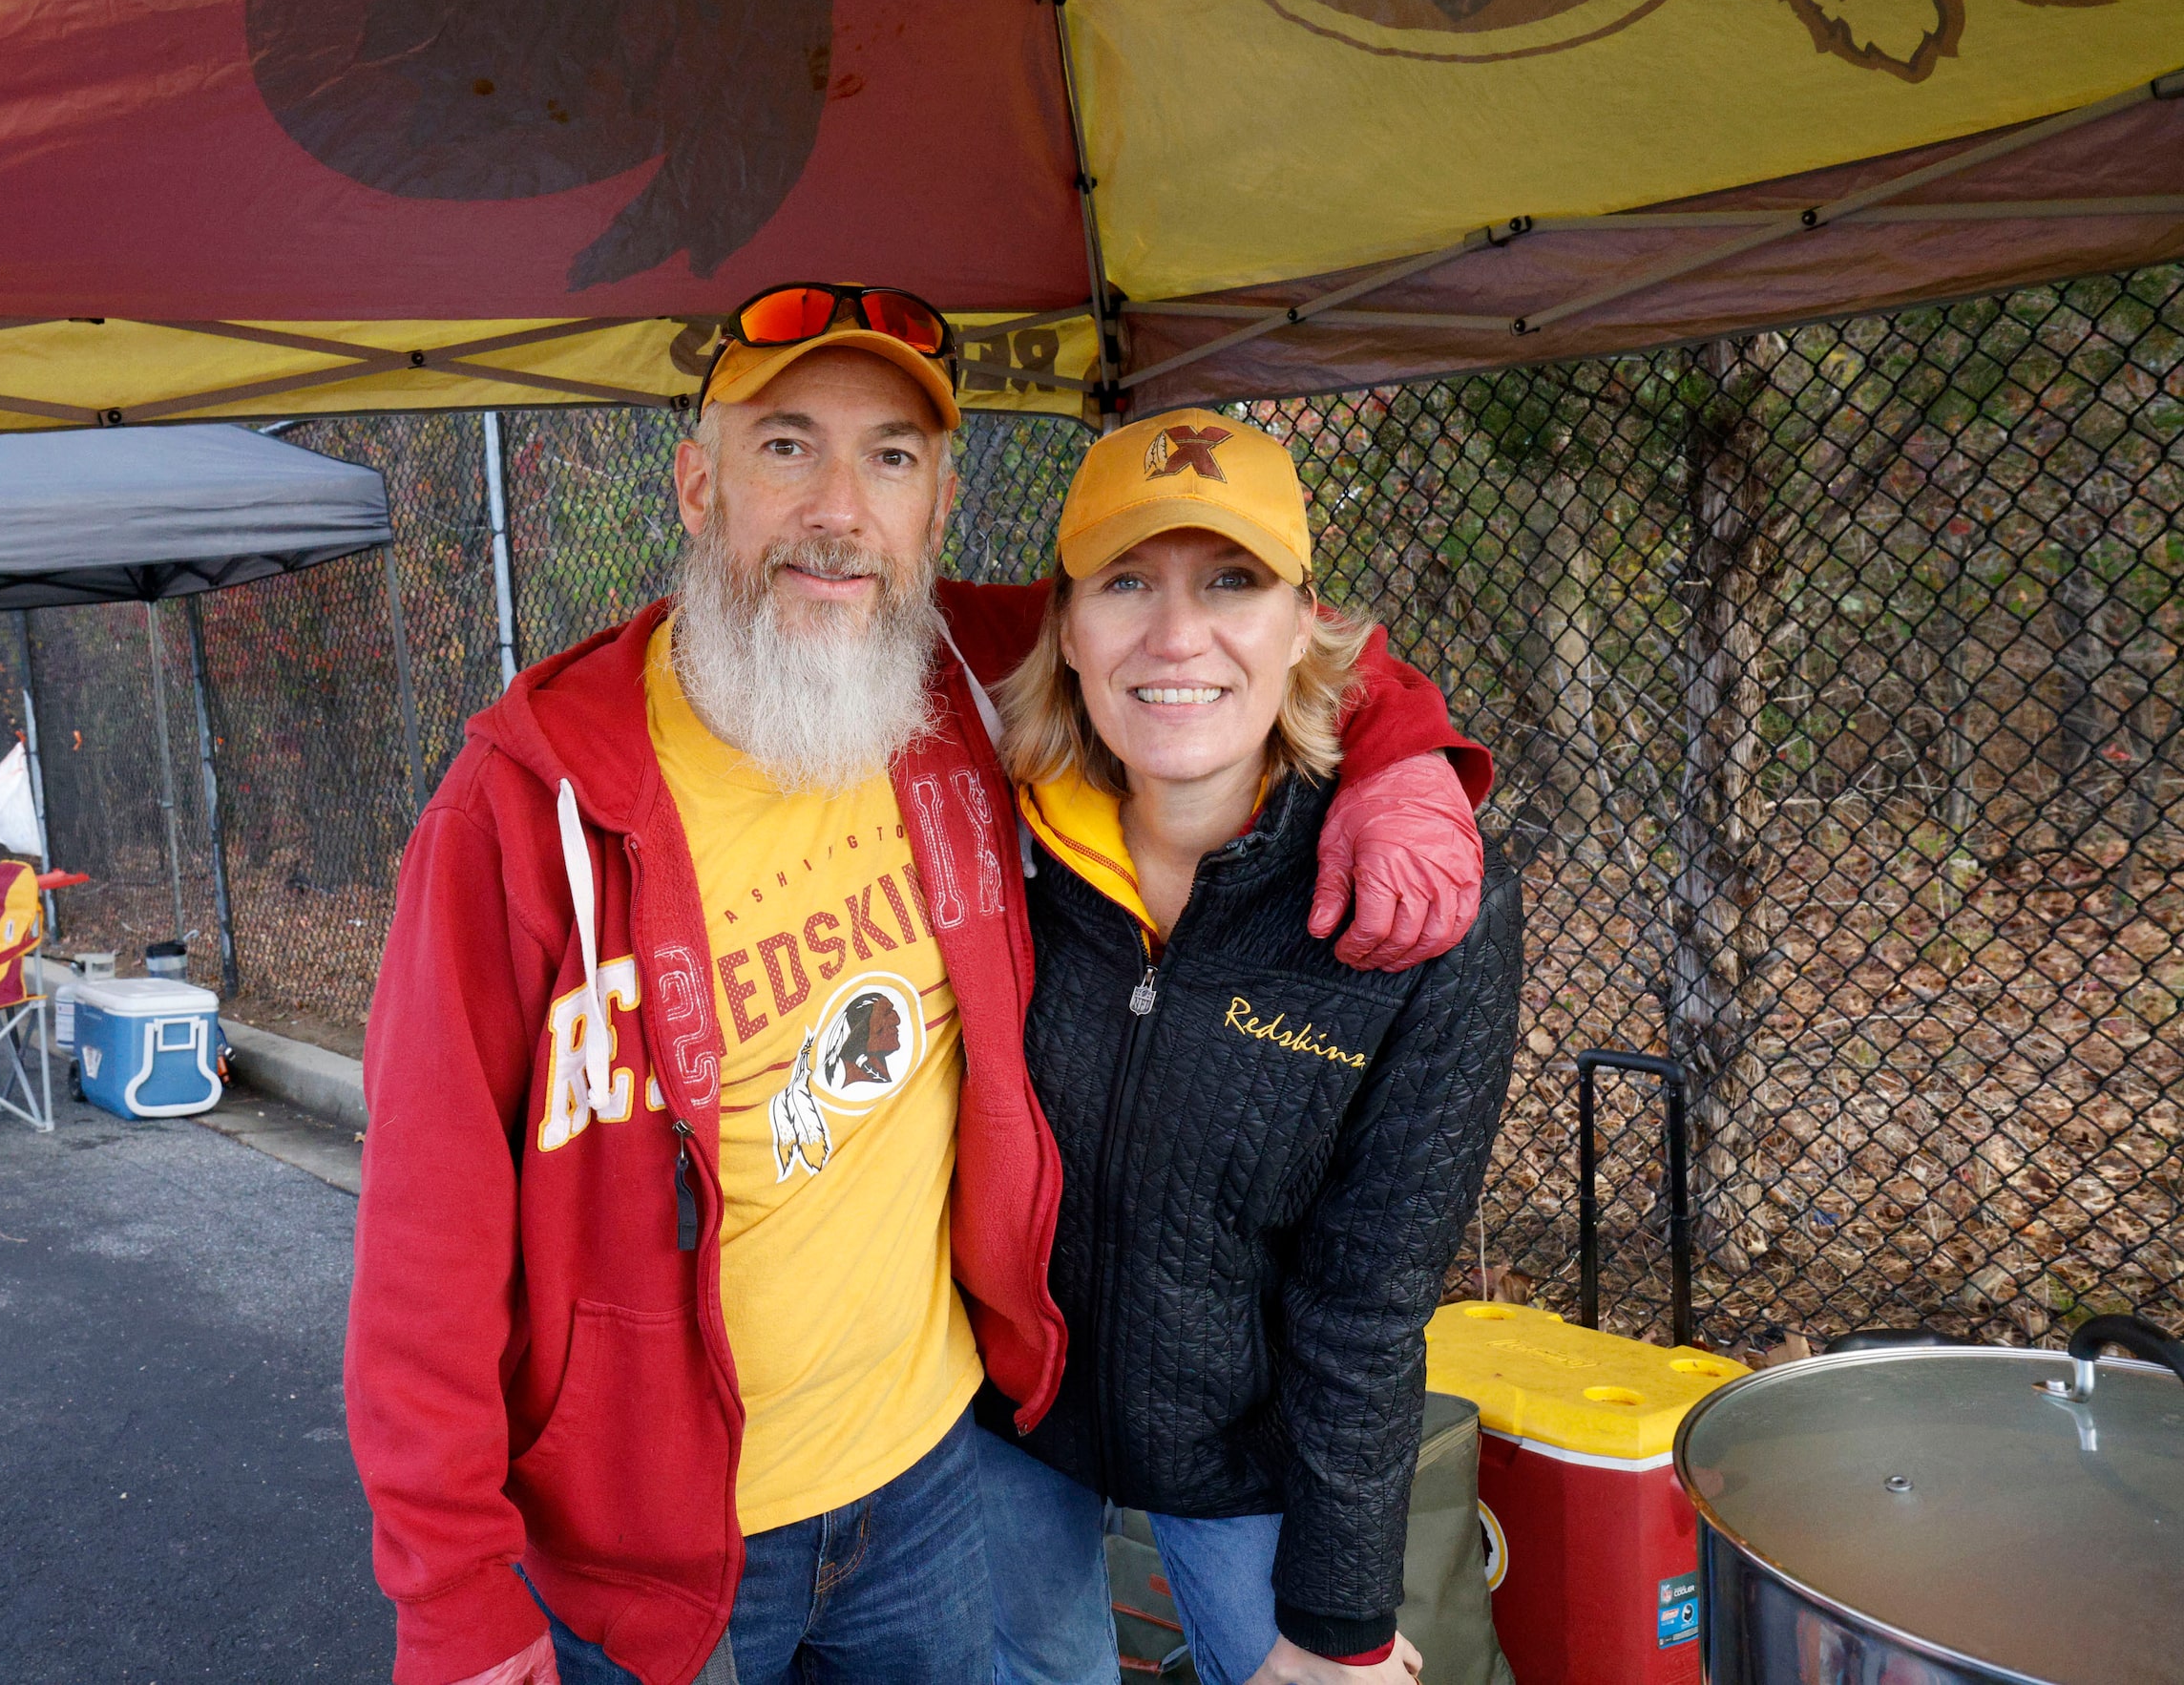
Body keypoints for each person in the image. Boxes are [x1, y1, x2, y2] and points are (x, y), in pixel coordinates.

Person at [346, 284, 1489, 1685]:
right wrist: (454, 1582)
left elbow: (1212, 645)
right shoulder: (524, 809)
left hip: (932, 1476)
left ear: (939, 505)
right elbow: (423, 1233)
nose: (841, 507)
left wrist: (1405, 756)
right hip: (654, 1544)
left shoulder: (948, 673)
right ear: (699, 485)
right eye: (787, 447)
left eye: (890, 456)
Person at [973, 412, 1522, 1685]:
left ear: (1304, 624)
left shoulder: (1428, 911)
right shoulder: (990, 820)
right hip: (1001, 1415)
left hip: (1251, 1448)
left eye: (1231, 582)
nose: (1176, 638)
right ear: (1065, 624)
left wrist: (1340, 1625)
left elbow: (1370, 1303)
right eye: (1127, 584)